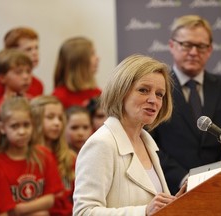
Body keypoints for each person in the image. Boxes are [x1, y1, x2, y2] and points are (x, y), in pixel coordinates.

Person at [73, 54, 186, 216]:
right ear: (120, 92)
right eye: (143, 90)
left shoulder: (147, 143)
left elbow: (152, 204)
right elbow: (83, 212)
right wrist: (144, 211)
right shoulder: (102, 143)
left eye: (159, 94)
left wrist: (175, 203)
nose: (153, 100)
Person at [151, 15, 221, 195]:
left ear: (210, 49)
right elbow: (149, 143)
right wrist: (183, 178)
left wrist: (219, 176)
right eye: (187, 45)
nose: (194, 52)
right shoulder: (157, 89)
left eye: (201, 46)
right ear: (172, 46)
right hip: (171, 191)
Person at [0, 96, 63, 215]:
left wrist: (19, 209)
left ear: (33, 124)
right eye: (15, 126)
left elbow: (50, 200)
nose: (22, 132)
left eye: (26, 125)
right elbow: (5, 210)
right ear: (2, 128)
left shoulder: (43, 155)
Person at [30, 95, 76, 216]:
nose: (57, 123)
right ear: (34, 120)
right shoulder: (28, 158)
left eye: (60, 118)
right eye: (50, 117)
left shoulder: (69, 157)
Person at [0, 27, 44, 106]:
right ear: (11, 52)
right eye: (28, 49)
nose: (35, 53)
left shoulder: (38, 85)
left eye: (36, 48)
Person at [0, 49, 33, 134]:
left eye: (28, 71)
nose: (26, 76)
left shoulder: (33, 102)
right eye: (18, 72)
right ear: (2, 78)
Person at [52, 36, 101, 109]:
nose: (98, 58)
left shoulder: (97, 93)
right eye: (92, 54)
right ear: (78, 62)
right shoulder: (59, 98)